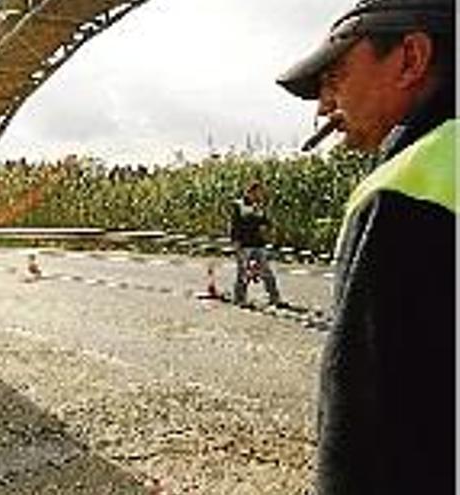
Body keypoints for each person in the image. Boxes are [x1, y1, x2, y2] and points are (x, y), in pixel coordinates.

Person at [277, 0, 455, 492]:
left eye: (335, 77)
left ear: (411, 59)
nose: (322, 107)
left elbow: (367, 439)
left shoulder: (408, 186)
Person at [229, 181, 282, 307]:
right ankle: (240, 299)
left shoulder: (258, 206)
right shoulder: (239, 205)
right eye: (258, 192)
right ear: (250, 192)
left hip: (258, 244)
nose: (260, 194)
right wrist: (235, 243)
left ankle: (275, 299)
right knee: (243, 273)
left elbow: (265, 222)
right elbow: (234, 226)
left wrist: (270, 226)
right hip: (244, 244)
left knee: (267, 272)